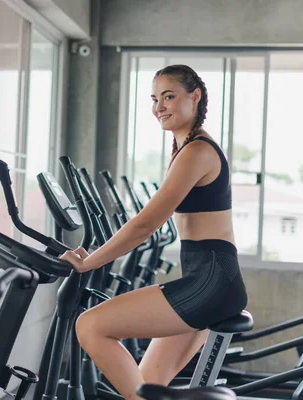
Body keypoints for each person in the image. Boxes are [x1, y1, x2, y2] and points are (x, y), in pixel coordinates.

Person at [59, 65, 249, 400]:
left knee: (90, 326)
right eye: (154, 98)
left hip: (209, 284)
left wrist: (89, 262)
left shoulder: (196, 151)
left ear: (195, 97)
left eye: (169, 96)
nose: (159, 106)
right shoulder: (185, 148)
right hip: (213, 282)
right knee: (147, 384)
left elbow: (145, 225)